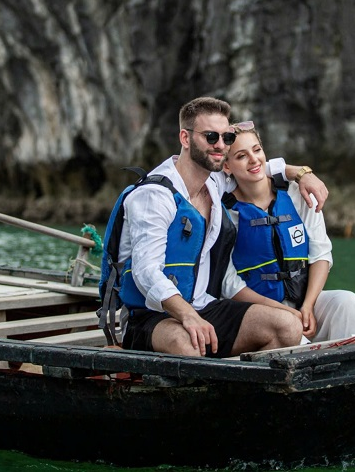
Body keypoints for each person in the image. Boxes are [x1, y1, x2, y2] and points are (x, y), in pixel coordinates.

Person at [116, 96, 329, 357]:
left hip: (204, 306)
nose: (220, 145)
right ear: (185, 138)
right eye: (210, 137)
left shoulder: (215, 182)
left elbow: (255, 167)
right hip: (150, 315)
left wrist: (302, 173)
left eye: (226, 138)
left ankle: (241, 380)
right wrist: (187, 315)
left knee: (287, 326)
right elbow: (146, 271)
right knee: (189, 345)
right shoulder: (154, 196)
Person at [222, 122, 355, 342]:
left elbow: (320, 254)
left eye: (257, 150)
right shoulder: (224, 213)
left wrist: (308, 306)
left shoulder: (298, 192)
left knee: (347, 302)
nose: (254, 160)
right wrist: (286, 313)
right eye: (241, 156)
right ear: (227, 166)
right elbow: (228, 283)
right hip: (259, 311)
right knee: (290, 331)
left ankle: (354, 361)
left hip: (303, 301)